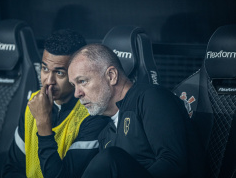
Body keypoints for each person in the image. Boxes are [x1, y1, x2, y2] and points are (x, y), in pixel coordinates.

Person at [68, 44, 202, 178]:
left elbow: (173, 163)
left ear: (111, 75)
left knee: (109, 157)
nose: (77, 93)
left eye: (83, 81)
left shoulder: (151, 98)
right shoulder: (105, 134)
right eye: (74, 85)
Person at [2, 30, 110, 178]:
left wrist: (43, 123)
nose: (49, 80)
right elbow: (11, 169)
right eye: (45, 69)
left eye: (59, 73)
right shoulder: (34, 102)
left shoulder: (93, 113)